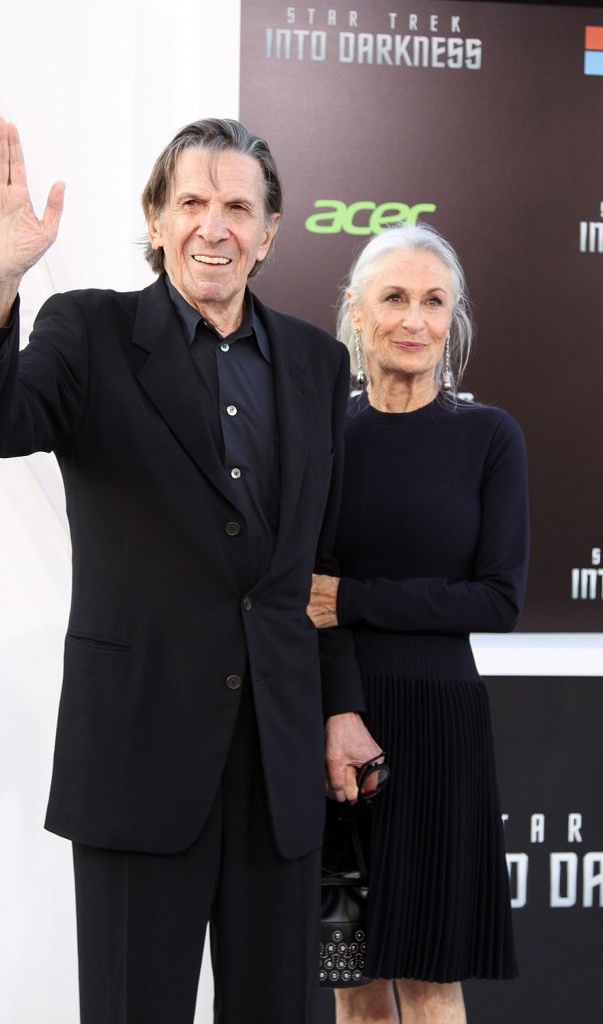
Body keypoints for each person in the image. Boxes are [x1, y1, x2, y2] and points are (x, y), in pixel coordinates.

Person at [0, 115, 382, 1024]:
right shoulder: (88, 330)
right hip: (139, 758)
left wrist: (340, 707)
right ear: (156, 215)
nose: (214, 226)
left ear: (271, 230)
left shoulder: (317, 363)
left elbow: (319, 565)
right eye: (192, 203)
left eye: (238, 207)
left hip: (279, 767)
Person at [308, 223, 529, 1024]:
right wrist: (339, 709)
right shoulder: (324, 438)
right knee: (356, 982)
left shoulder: (489, 437)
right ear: (356, 313)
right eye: (394, 298)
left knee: (434, 982)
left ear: (454, 318)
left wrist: (356, 597)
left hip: (442, 732)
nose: (414, 318)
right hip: (343, 726)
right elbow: (304, 594)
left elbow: (497, 600)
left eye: (434, 301)